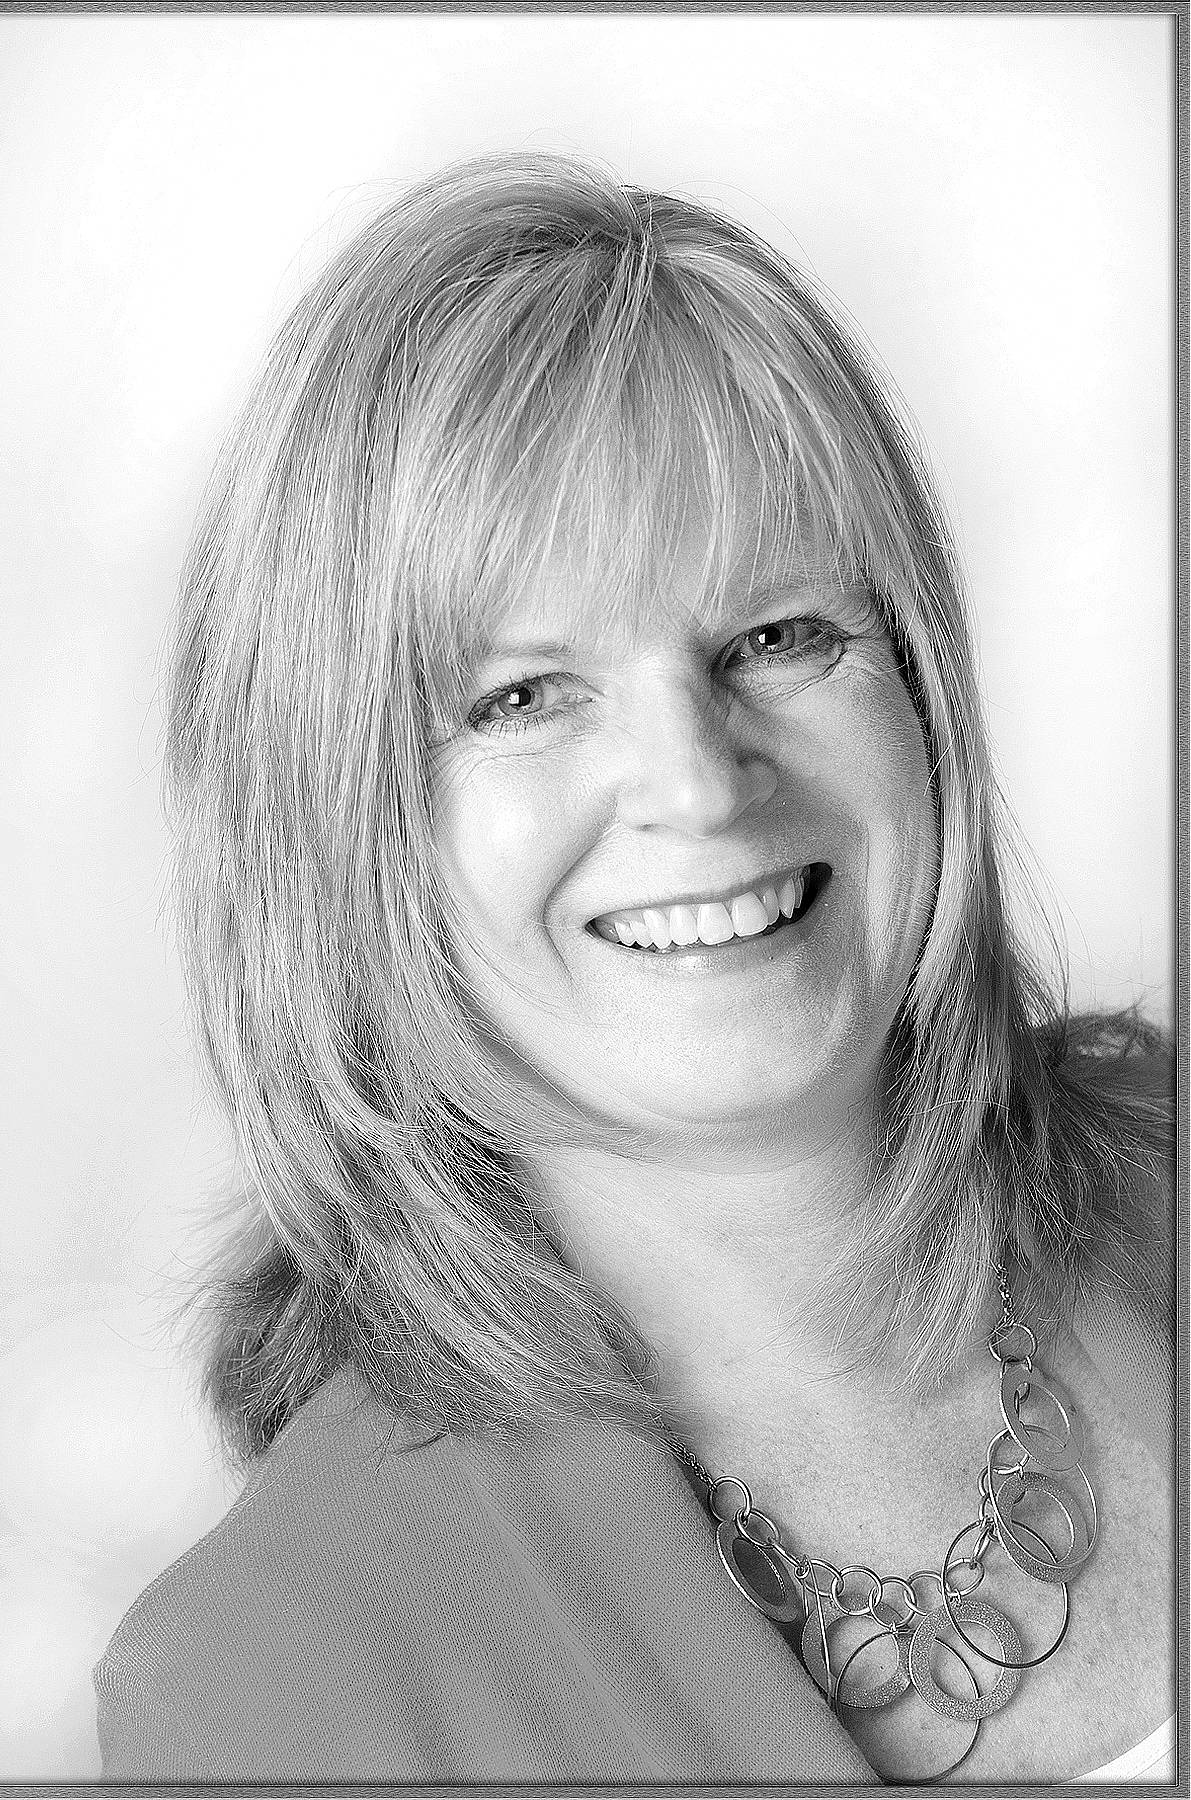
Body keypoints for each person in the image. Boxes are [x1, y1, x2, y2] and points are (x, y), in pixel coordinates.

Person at [95, 154, 1175, 1785]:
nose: (698, 784)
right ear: (334, 831)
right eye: (523, 697)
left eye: (777, 636)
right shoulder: (266, 1685)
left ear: (920, 689)